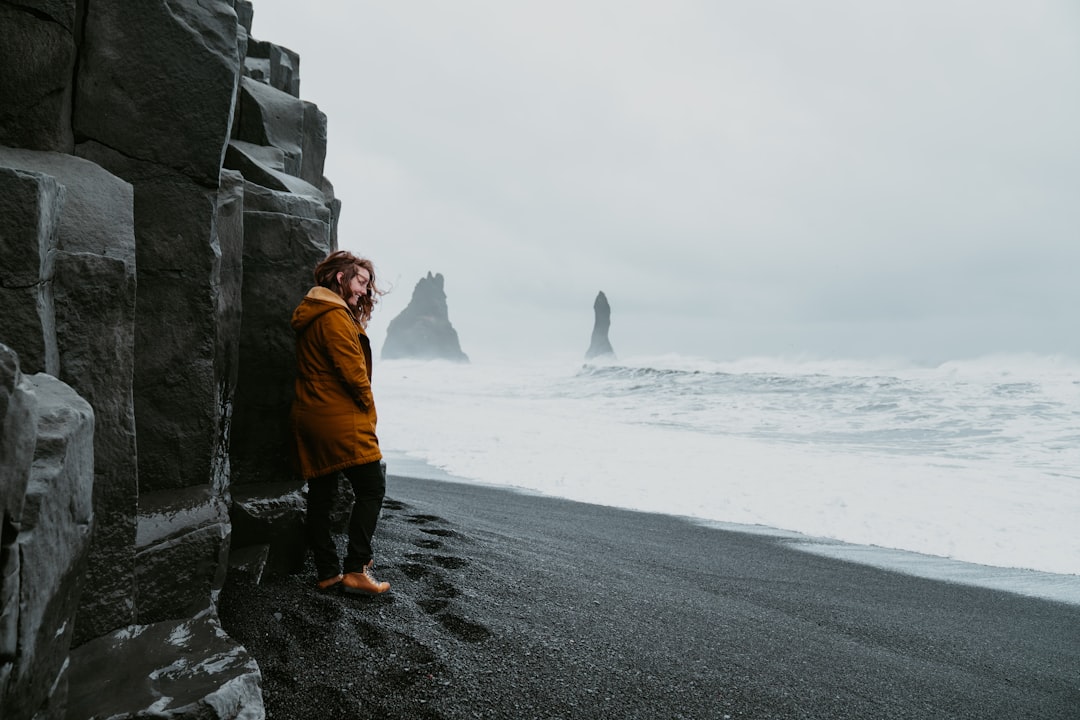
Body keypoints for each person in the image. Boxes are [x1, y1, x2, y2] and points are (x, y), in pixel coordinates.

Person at [290, 250, 390, 595]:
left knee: (322, 493)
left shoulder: (316, 310)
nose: (364, 290)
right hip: (336, 416)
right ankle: (356, 568)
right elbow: (353, 373)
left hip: (312, 413)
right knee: (372, 486)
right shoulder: (333, 316)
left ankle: (328, 571)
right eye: (361, 281)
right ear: (340, 277)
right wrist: (368, 410)